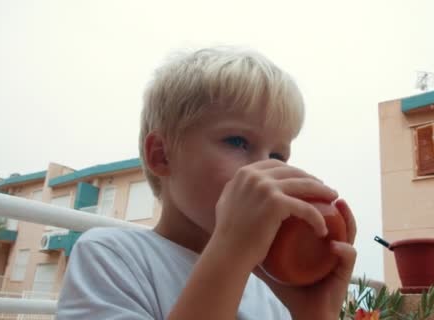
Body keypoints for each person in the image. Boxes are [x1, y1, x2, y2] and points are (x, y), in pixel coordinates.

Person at [56, 47, 357, 320]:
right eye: (238, 141)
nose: (265, 169)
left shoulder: (268, 290)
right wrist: (232, 252)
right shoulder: (112, 256)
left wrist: (315, 313)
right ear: (162, 155)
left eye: (278, 155)